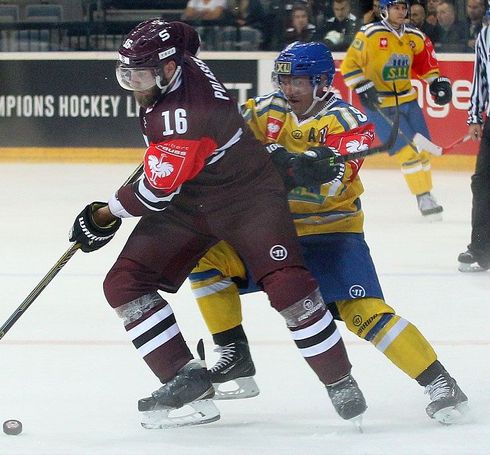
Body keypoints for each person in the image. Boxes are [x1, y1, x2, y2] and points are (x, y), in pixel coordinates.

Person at [69, 20, 367, 429]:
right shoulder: (183, 55)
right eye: (128, 74)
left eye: (141, 74)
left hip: (248, 197)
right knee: (124, 283)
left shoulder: (183, 118)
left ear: (170, 69)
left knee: (287, 286)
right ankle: (186, 379)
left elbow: (155, 194)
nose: (134, 84)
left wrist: (102, 215)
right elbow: (187, 32)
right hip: (192, 198)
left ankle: (339, 380)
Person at [189, 40, 469, 425]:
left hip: (331, 235)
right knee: (203, 256)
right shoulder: (266, 109)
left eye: (299, 82)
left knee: (364, 314)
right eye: (284, 80)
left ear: (322, 82)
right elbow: (221, 136)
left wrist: (311, 164)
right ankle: (233, 352)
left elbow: (336, 181)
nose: (289, 90)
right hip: (274, 234)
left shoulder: (348, 121)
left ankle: (440, 381)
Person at [341, 0, 452, 220]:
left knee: (422, 150)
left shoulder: (415, 37)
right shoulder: (369, 34)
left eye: (403, 8)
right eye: (396, 8)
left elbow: (426, 65)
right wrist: (362, 86)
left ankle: (426, 192)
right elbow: (349, 66)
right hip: (381, 105)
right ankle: (423, 196)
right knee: (407, 151)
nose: (401, 12)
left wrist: (437, 82)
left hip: (408, 101)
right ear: (385, 10)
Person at [460, 16, 490, 272]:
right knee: (482, 182)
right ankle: (482, 249)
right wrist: (474, 116)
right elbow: (480, 78)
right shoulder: (485, 34)